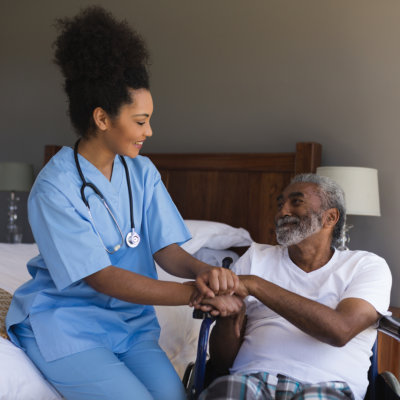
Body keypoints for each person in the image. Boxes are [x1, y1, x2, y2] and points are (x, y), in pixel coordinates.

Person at [5, 6, 238, 400]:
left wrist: (204, 272)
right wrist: (193, 294)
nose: (150, 131)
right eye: (140, 120)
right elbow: (103, 277)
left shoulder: (142, 172)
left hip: (131, 327)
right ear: (101, 119)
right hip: (67, 326)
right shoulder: (55, 186)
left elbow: (166, 249)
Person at [198, 173, 392, 400]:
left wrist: (256, 285)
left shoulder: (366, 266)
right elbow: (222, 363)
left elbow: (340, 331)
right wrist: (229, 319)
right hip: (250, 379)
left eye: (296, 202)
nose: (283, 212)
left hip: (328, 387)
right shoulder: (256, 258)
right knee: (223, 393)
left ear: (330, 218)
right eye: (280, 204)